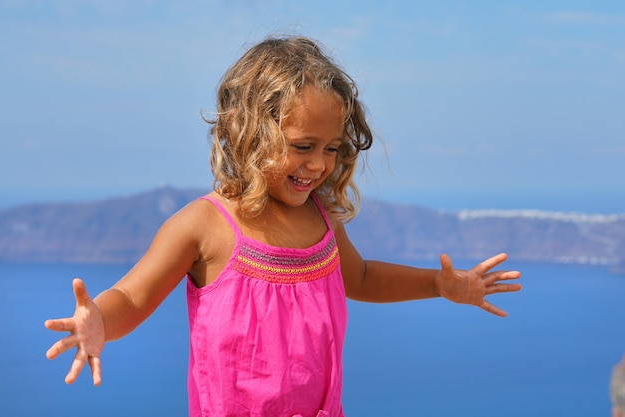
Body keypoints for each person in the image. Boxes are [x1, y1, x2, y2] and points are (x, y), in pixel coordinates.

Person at [45, 35, 521, 417]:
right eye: (302, 145)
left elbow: (361, 278)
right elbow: (133, 296)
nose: (318, 165)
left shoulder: (321, 216)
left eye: (332, 149)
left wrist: (439, 285)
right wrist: (99, 322)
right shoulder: (204, 225)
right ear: (246, 132)